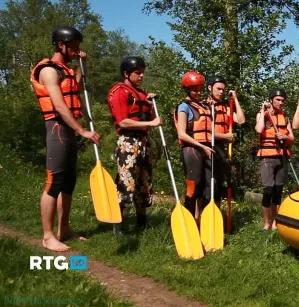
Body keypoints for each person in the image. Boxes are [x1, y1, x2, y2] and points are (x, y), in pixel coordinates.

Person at [30, 26, 100, 251]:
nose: (78, 51)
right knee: (54, 182)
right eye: (75, 48)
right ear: (61, 45)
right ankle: (47, 236)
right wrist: (82, 131)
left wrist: (82, 65)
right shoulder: (48, 70)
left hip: (68, 130)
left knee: (68, 182)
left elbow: (76, 88)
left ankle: (64, 228)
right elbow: (59, 105)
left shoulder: (66, 69)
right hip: (57, 129)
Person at [106, 56, 163, 236]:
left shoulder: (141, 93)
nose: (141, 76)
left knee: (144, 183)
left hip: (144, 142)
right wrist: (152, 124)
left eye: (142, 73)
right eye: (137, 73)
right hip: (128, 142)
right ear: (126, 73)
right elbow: (122, 122)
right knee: (126, 183)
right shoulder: (119, 92)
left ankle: (142, 223)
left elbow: (151, 118)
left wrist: (151, 104)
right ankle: (118, 225)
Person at [173, 71, 215, 223]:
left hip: (205, 148)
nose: (198, 92)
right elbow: (182, 134)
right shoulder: (183, 107)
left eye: (200, 89)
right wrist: (202, 147)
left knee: (205, 186)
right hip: (192, 149)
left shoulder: (202, 105)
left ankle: (201, 220)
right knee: (193, 186)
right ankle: (188, 220)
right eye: (194, 90)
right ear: (187, 90)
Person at [255, 88, 295, 231]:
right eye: (278, 100)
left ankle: (274, 223)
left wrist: (285, 137)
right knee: (268, 191)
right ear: (271, 100)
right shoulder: (263, 115)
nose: (281, 102)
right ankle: (266, 223)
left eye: (283, 100)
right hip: (267, 157)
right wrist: (262, 110)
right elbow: (259, 130)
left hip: (281, 157)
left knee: (278, 191)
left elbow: (292, 138)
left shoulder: (285, 117)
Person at [205, 76, 245, 207]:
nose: (221, 92)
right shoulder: (204, 105)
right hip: (207, 147)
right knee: (210, 184)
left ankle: (215, 216)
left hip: (220, 148)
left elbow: (240, 120)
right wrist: (225, 137)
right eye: (218, 89)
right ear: (210, 88)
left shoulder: (224, 107)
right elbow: (205, 131)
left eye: (223, 89)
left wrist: (235, 100)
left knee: (219, 183)